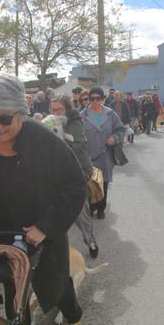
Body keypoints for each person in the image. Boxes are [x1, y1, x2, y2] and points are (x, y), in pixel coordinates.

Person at [0, 75, 87, 325]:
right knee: (13, 284)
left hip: (43, 223)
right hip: (1, 227)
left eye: (5, 119)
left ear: (20, 112)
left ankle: (73, 316)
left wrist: (46, 226)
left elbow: (76, 187)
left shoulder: (44, 141)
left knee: (56, 280)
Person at [50, 94, 99, 258]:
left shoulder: (75, 123)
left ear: (67, 109)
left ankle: (90, 241)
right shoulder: (51, 122)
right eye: (53, 109)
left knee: (81, 215)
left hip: (77, 173)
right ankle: (56, 252)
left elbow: (70, 147)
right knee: (55, 213)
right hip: (56, 176)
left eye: (60, 109)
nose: (56, 113)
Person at [81, 86, 125, 220]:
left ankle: (101, 208)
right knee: (90, 182)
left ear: (103, 99)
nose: (94, 101)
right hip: (89, 155)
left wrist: (114, 138)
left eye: (97, 98)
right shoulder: (82, 115)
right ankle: (91, 206)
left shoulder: (111, 114)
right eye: (91, 98)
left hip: (105, 154)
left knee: (103, 182)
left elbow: (121, 130)